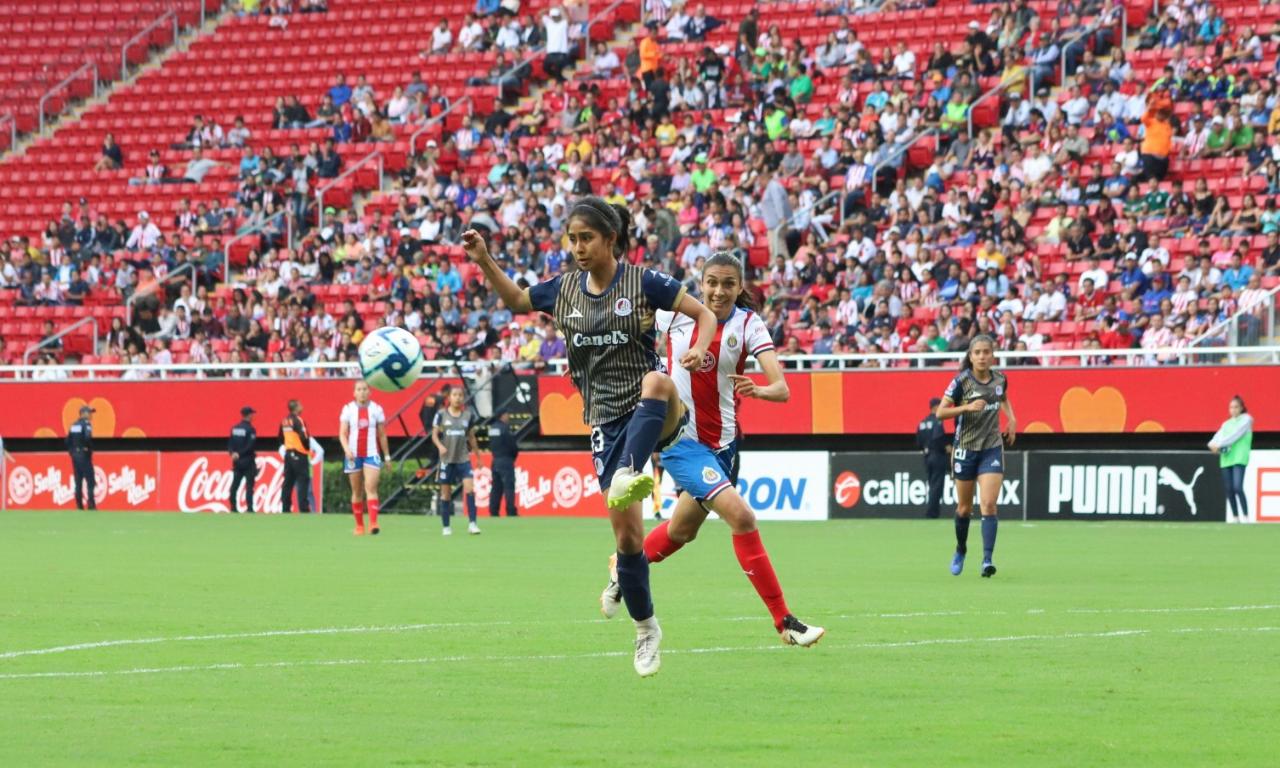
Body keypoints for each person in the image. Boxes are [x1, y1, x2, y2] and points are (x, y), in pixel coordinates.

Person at [462, 195, 718, 677]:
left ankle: (629, 470)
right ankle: (646, 629)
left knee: (657, 380)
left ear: (610, 240)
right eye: (572, 239)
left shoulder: (644, 282)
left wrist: (700, 350)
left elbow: (704, 313)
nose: (578, 248)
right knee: (628, 541)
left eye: (587, 239)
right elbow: (518, 300)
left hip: (656, 409)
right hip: (604, 421)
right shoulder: (563, 290)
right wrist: (484, 261)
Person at [629, 251, 825, 647]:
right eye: (712, 283)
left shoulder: (749, 323)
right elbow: (632, 335)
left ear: (740, 287)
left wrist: (760, 390)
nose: (719, 292)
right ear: (700, 284)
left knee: (682, 531)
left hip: (726, 446)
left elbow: (782, 388)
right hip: (681, 442)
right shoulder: (672, 314)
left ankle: (625, 566)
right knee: (743, 517)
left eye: (728, 284)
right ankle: (785, 621)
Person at [936, 334, 1016, 578]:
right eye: (977, 352)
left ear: (993, 355)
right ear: (970, 357)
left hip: (991, 447)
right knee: (963, 508)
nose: (982, 356)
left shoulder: (1000, 379)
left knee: (989, 505)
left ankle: (987, 560)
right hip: (965, 449)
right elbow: (940, 412)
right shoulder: (961, 382)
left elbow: (1003, 398)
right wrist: (967, 407)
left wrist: (1011, 418)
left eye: (986, 352)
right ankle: (961, 549)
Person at [340, 380, 390, 535]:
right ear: (354, 393)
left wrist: (387, 456)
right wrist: (347, 450)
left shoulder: (376, 409)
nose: (362, 392)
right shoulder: (348, 409)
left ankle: (373, 523)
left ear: (370, 392)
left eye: (365, 389)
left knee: (371, 487)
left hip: (371, 454)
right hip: (353, 455)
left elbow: (382, 435)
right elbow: (342, 433)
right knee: (357, 491)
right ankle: (359, 525)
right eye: (359, 389)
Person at [433, 386, 480, 536]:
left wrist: (478, 457)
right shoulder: (441, 415)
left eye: (460, 395)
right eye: (455, 395)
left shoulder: (468, 415)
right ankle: (446, 526)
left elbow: (471, 437)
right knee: (446, 495)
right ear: (449, 398)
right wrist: (440, 446)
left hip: (463, 459)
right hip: (446, 460)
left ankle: (472, 524)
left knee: (470, 489)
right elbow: (434, 435)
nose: (458, 397)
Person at [1209, 395, 1253, 523]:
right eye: (1231, 407)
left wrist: (1219, 444)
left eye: (1236, 407)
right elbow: (1216, 437)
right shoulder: (1226, 424)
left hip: (1239, 458)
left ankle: (1245, 516)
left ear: (1241, 408)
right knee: (1229, 489)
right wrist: (1212, 445)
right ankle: (1235, 517)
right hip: (1226, 458)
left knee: (1237, 487)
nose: (1233, 410)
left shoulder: (1247, 420)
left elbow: (1236, 435)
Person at [916, 397, 949, 519]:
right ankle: (932, 513)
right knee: (937, 486)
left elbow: (918, 442)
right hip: (937, 456)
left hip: (927, 457)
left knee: (932, 484)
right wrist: (946, 447)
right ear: (936, 407)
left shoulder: (922, 423)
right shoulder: (937, 421)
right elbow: (938, 437)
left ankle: (932, 511)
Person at [279, 399, 312, 513]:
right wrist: (307, 448)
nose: (302, 407)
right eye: (300, 405)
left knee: (288, 481)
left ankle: (285, 508)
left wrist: (288, 445)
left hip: (288, 454)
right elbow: (304, 436)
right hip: (299, 453)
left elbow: (280, 437)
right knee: (303, 481)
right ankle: (303, 508)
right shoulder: (298, 420)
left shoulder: (284, 421)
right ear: (296, 408)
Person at [486, 410, 520, 517]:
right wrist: (513, 457)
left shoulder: (492, 429)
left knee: (496, 487)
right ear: (503, 415)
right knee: (509, 487)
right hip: (506, 460)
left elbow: (490, 444)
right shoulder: (505, 429)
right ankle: (510, 511)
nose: (508, 417)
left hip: (495, 460)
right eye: (507, 415)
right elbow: (512, 446)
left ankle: (493, 510)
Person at [227, 406, 258, 514]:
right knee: (249, 486)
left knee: (235, 485)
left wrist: (233, 453)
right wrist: (239, 454)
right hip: (248, 461)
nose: (253, 416)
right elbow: (250, 446)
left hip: (237, 462)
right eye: (252, 414)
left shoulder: (235, 428)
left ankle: (233, 507)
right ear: (249, 415)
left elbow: (230, 444)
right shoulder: (251, 429)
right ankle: (249, 508)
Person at [66, 405, 96, 511]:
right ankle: (91, 504)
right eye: (89, 412)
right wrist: (90, 448)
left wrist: (72, 452)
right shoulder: (86, 424)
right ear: (83, 413)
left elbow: (67, 441)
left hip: (75, 455)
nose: (91, 415)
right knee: (90, 480)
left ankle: (79, 505)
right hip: (84, 455)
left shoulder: (73, 425)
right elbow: (87, 437)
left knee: (78, 480)